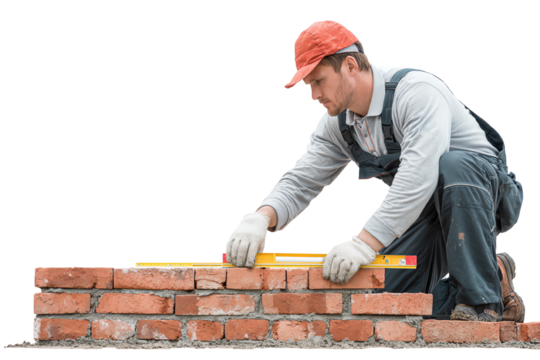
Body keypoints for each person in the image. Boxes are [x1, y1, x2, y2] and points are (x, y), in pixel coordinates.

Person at [225, 19, 525, 323]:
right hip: (426, 210)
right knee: (383, 309)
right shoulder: (339, 123)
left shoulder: (417, 92)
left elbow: (418, 176)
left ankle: (480, 300)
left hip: (487, 194)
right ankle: (494, 275)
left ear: (351, 65)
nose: (314, 95)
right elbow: (302, 180)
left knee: (453, 164)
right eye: (309, 86)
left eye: (318, 81)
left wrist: (362, 244)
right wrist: (260, 218)